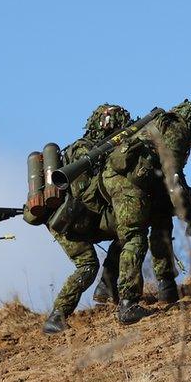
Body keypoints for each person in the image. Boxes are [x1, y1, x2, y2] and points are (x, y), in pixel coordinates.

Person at [101, 100, 191, 324]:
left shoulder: (169, 127)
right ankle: (127, 304)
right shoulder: (178, 130)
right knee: (135, 237)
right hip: (126, 184)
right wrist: (190, 212)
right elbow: (174, 179)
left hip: (141, 182)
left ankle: (166, 287)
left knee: (162, 220)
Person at [41, 104, 129, 334]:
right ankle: (57, 315)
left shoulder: (86, 149)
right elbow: (84, 194)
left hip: (77, 219)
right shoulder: (85, 153)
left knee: (126, 231)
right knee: (89, 265)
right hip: (70, 220)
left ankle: (107, 286)